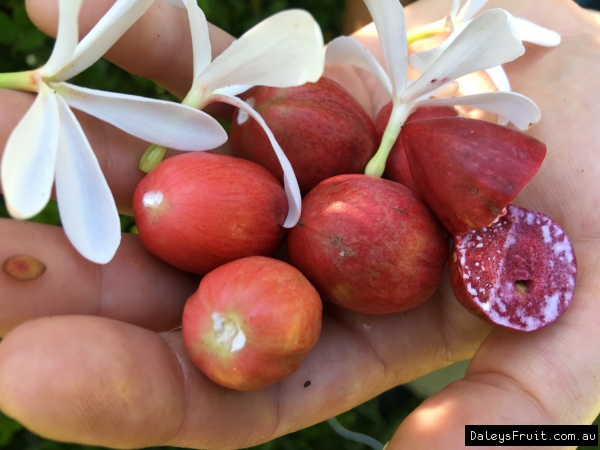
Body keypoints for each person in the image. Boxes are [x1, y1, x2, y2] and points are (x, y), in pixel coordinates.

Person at [0, 0, 598, 448]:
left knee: (432, 336)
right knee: (428, 341)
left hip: (406, 296)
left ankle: (429, 368)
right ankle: (427, 373)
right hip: (390, 286)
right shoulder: (327, 176)